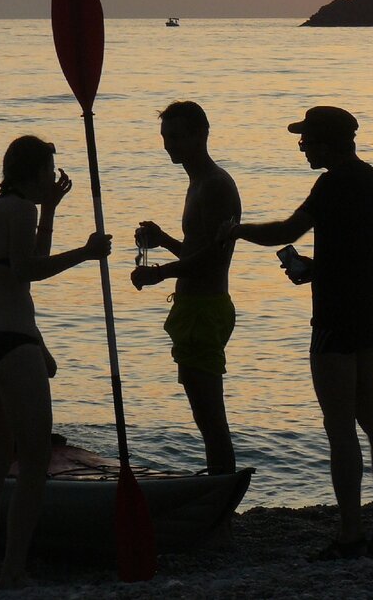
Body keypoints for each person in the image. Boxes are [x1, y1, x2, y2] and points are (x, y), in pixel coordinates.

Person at [221, 106, 373, 560]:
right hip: (372, 316)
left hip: (334, 318)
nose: (301, 146)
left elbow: (286, 230)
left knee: (339, 426)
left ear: (325, 142)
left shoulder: (330, 184)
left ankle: (349, 532)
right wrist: (321, 268)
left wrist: (236, 231)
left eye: (306, 139)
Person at [0, 135, 110, 590]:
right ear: (33, 173)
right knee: (33, 458)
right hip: (11, 342)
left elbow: (16, 264)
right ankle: (14, 569)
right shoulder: (19, 209)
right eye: (50, 170)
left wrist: (51, 210)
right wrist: (86, 253)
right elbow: (29, 271)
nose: (54, 177)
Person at [131, 101, 241, 475]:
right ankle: (219, 484)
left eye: (176, 137)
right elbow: (198, 251)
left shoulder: (214, 186)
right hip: (194, 307)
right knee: (203, 414)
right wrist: (163, 239)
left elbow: (214, 258)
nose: (168, 146)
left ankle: (222, 492)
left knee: (210, 417)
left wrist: (160, 274)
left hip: (205, 310)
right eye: (165, 138)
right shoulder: (197, 182)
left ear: (201, 134)